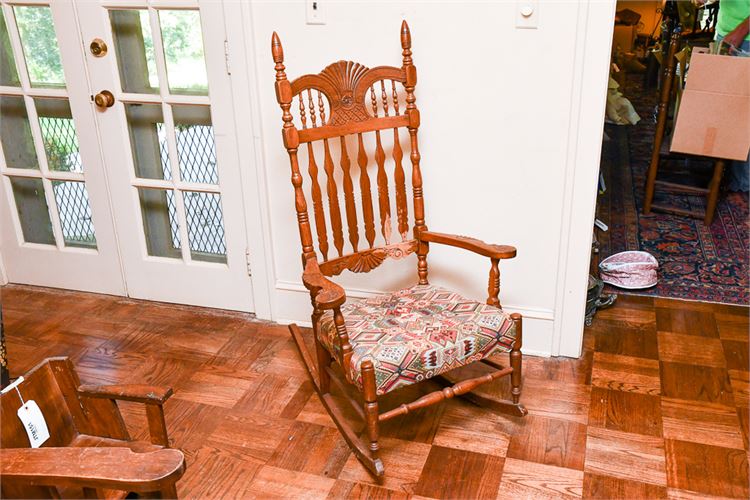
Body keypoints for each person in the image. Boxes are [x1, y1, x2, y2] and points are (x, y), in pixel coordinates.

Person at [715, 0, 749, 190]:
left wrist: (740, 32)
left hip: (745, 39)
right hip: (725, 32)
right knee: (723, 109)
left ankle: (743, 183)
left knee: (743, 113)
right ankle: (723, 175)